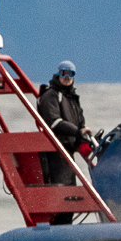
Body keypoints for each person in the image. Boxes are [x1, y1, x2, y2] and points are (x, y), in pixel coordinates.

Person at [37, 59, 92, 223]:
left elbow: (80, 122)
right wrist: (77, 132)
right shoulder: (50, 95)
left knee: (70, 193)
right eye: (63, 73)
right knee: (62, 195)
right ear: (58, 74)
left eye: (70, 74)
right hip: (55, 152)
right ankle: (57, 228)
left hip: (68, 151)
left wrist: (85, 137)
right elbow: (54, 122)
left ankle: (66, 226)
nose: (67, 77)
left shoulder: (72, 97)